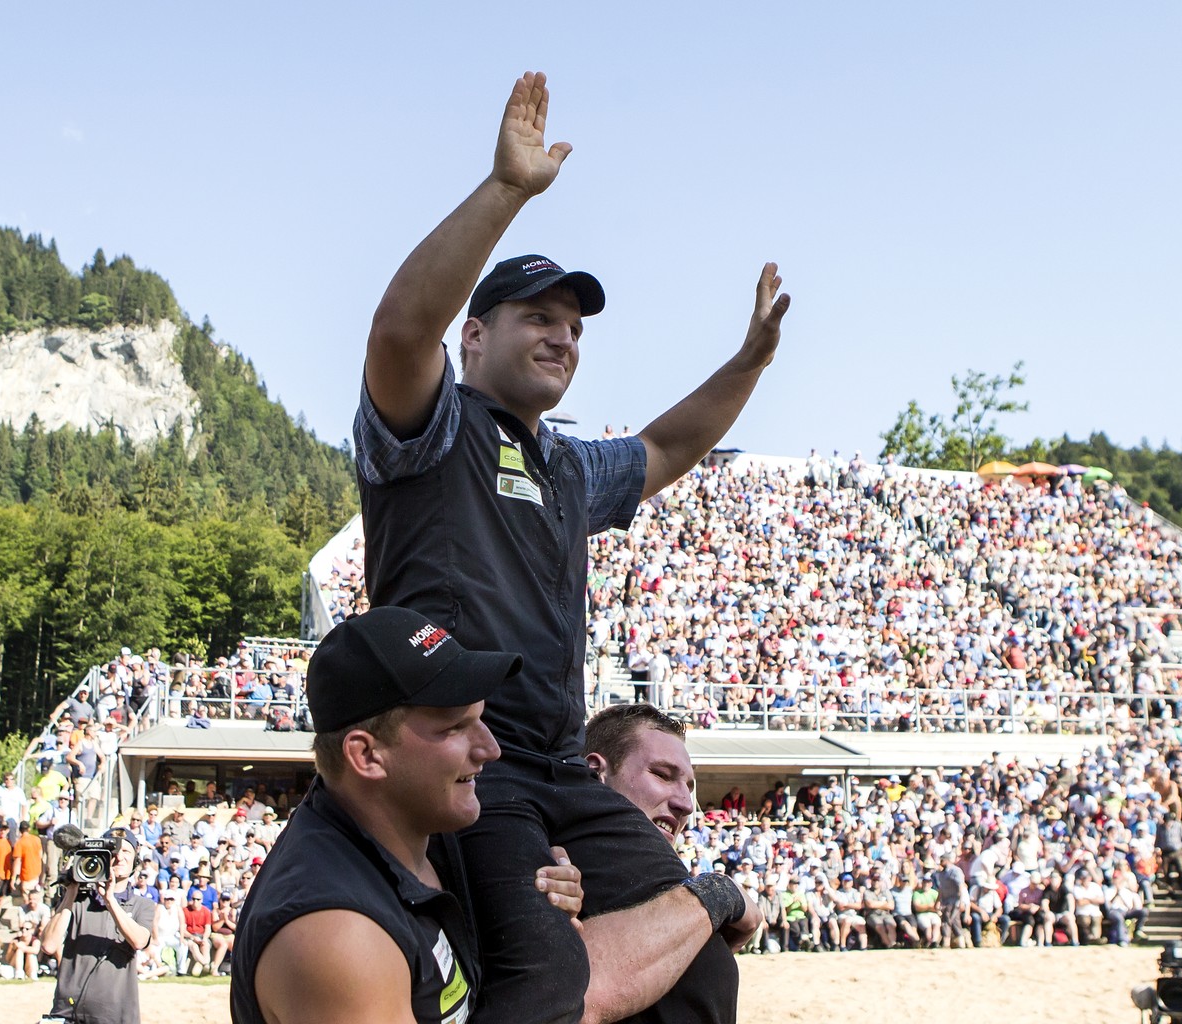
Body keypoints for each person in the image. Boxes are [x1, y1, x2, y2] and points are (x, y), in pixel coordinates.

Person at [355, 73, 783, 1024]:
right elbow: (398, 329)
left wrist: (747, 362)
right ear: (474, 336)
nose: (563, 338)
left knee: (700, 959)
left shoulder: (566, 466)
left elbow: (668, 446)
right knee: (546, 985)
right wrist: (508, 189)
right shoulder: (433, 430)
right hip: (472, 759)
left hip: (561, 765)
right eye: (538, 318)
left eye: (575, 327)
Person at [230, 607, 585, 1024]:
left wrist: (540, 910)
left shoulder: (419, 826)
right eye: (455, 727)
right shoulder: (340, 935)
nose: (491, 748)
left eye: (481, 718)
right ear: (366, 755)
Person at [583, 704, 754, 1014]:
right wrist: (719, 893)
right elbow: (574, 997)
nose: (686, 804)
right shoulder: (556, 869)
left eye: (689, 787)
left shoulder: (657, 873)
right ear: (597, 773)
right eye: (662, 775)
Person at [39, 828, 155, 1024]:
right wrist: (70, 891)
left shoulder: (143, 905)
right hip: (67, 1012)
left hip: (115, 1015)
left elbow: (139, 941)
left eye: (126, 851)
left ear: (135, 860)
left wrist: (109, 900)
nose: (119, 857)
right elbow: (49, 945)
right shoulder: (77, 900)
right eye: (113, 852)